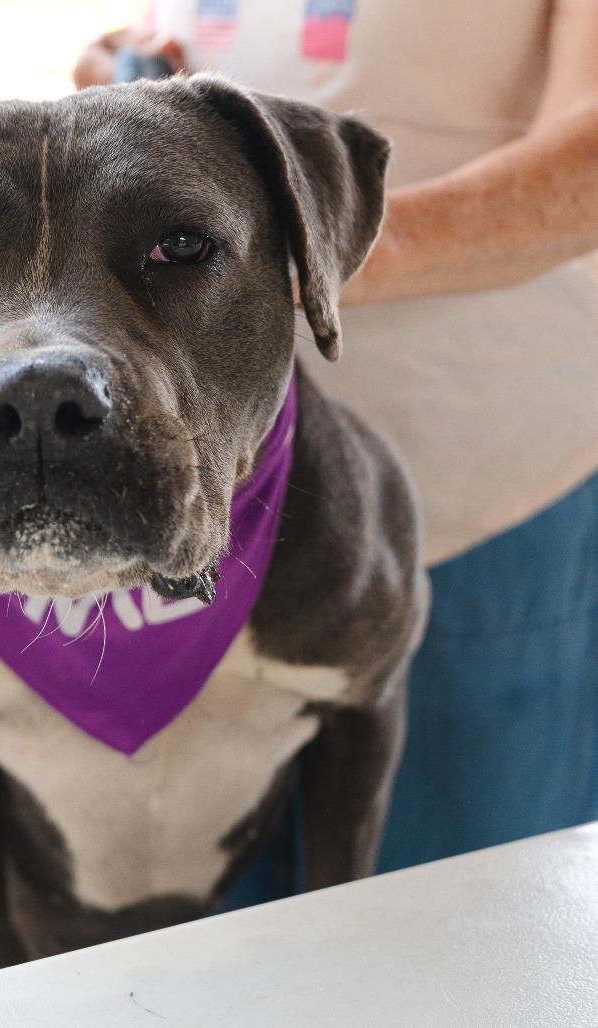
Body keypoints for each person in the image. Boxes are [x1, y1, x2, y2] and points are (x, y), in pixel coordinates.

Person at [74, 0, 598, 887]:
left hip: (474, 506)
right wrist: (128, 72)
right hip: (214, 497)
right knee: (211, 951)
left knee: (441, 936)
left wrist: (300, 245)